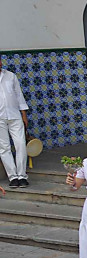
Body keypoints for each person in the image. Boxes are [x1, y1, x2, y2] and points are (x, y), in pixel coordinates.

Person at [0, 59, 29, 188]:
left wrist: (24, 114)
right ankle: (13, 177)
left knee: (21, 144)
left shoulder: (11, 76)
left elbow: (19, 96)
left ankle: (22, 176)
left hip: (15, 115)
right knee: (4, 148)